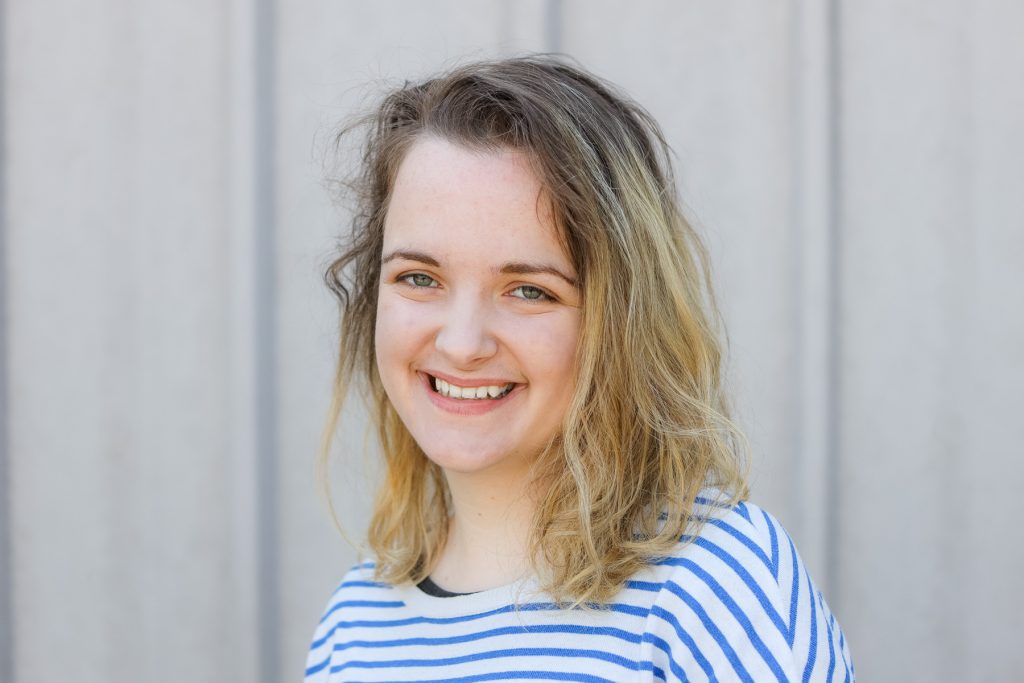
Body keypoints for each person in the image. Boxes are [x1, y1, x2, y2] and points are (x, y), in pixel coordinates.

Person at [305, 56, 854, 682]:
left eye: (529, 290)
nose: (461, 344)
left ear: (618, 319)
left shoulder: (712, 588)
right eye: (419, 278)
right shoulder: (355, 628)